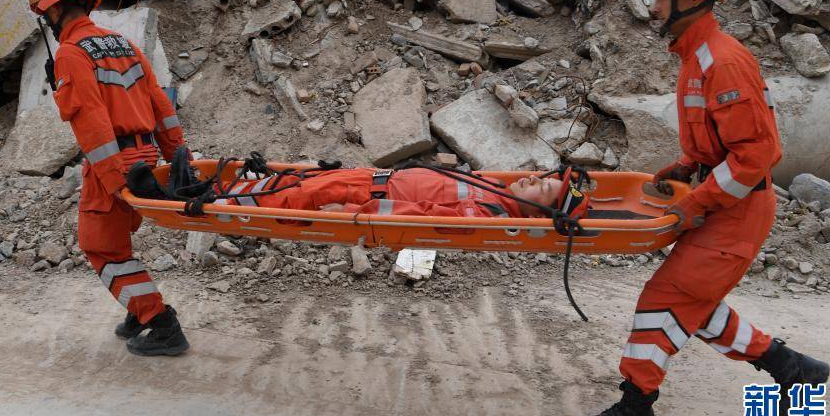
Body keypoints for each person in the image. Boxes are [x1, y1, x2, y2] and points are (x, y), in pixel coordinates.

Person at [569, 0, 830, 416]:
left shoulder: (723, 62)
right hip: (725, 200)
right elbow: (722, 140)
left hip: (737, 209)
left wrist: (698, 200)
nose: (654, 5)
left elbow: (756, 155)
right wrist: (689, 165)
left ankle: (635, 412)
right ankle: (791, 368)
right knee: (692, 302)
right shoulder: (696, 55)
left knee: (664, 299)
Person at [28, 0, 191, 357]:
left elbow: (92, 122)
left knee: (100, 247)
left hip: (114, 161)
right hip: (146, 155)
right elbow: (160, 104)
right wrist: (179, 157)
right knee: (117, 241)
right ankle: (139, 309)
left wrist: (116, 178)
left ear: (55, 11)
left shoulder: (70, 54)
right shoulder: (122, 43)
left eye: (46, 13)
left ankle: (159, 321)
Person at [207, 166, 581, 219]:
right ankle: (224, 189)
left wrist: (355, 211)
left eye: (543, 187)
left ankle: (214, 201)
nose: (533, 178)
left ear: (538, 214)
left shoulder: (489, 213)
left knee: (292, 196)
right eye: (542, 176)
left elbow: (419, 217)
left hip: (362, 192)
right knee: (296, 181)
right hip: (369, 176)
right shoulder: (494, 189)